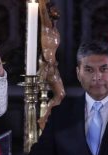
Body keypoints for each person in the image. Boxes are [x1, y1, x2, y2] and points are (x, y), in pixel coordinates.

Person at [37, 0, 66, 130]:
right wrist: (43, 2)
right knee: (57, 94)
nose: (57, 11)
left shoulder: (54, 30)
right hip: (47, 67)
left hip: (54, 66)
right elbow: (43, 10)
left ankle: (45, 118)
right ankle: (43, 120)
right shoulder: (46, 27)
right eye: (54, 9)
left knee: (61, 94)